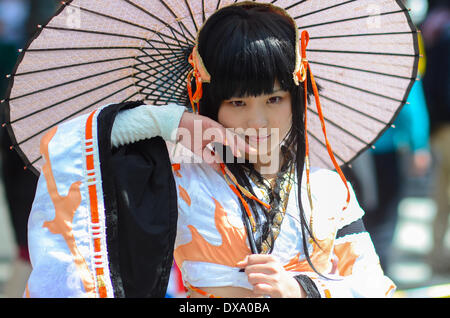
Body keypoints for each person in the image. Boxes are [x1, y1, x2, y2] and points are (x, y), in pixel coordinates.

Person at [23, 2, 395, 298]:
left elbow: (376, 288)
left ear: (297, 96)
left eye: (275, 98)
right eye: (237, 103)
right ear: (210, 102)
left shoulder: (329, 188)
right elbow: (76, 151)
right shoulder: (179, 180)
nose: (258, 120)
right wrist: (166, 122)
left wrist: (303, 291)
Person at [421, 1, 450, 272]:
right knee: (441, 194)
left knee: (440, 195)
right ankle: (437, 257)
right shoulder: (442, 30)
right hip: (444, 125)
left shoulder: (437, 28)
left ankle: (436, 257)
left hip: (440, 125)